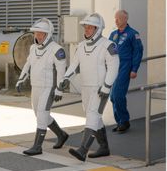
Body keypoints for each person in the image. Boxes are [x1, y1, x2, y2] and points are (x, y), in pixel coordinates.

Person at [60, 13, 119, 161]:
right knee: (93, 116)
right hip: (85, 88)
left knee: (93, 115)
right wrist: (66, 78)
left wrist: (107, 86)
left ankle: (83, 150)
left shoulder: (108, 45)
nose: (86, 30)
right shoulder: (81, 46)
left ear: (98, 29)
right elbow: (74, 65)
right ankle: (104, 147)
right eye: (85, 27)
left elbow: (114, 67)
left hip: (100, 88)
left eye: (90, 27)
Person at [15, 18, 68, 156]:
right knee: (39, 115)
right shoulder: (33, 48)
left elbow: (62, 71)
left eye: (41, 33)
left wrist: (59, 89)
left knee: (42, 115)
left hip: (48, 87)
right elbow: (28, 64)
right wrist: (21, 80)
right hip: (35, 87)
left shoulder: (57, 50)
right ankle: (61, 135)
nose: (37, 36)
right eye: (36, 33)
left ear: (48, 34)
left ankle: (37, 146)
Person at [109, 10, 144, 133]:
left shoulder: (133, 34)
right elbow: (108, 51)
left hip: (125, 67)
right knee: (113, 97)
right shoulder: (113, 34)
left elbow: (138, 52)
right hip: (113, 68)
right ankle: (120, 122)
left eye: (118, 18)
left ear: (125, 19)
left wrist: (134, 69)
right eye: (115, 18)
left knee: (118, 95)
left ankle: (124, 121)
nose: (116, 21)